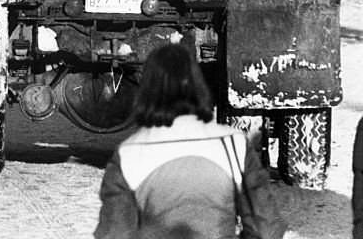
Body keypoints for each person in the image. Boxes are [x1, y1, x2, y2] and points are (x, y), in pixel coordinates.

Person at [94, 44, 286, 239]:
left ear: (146, 91)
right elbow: (266, 229)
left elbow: (114, 234)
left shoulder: (129, 153)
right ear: (199, 85)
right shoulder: (233, 144)